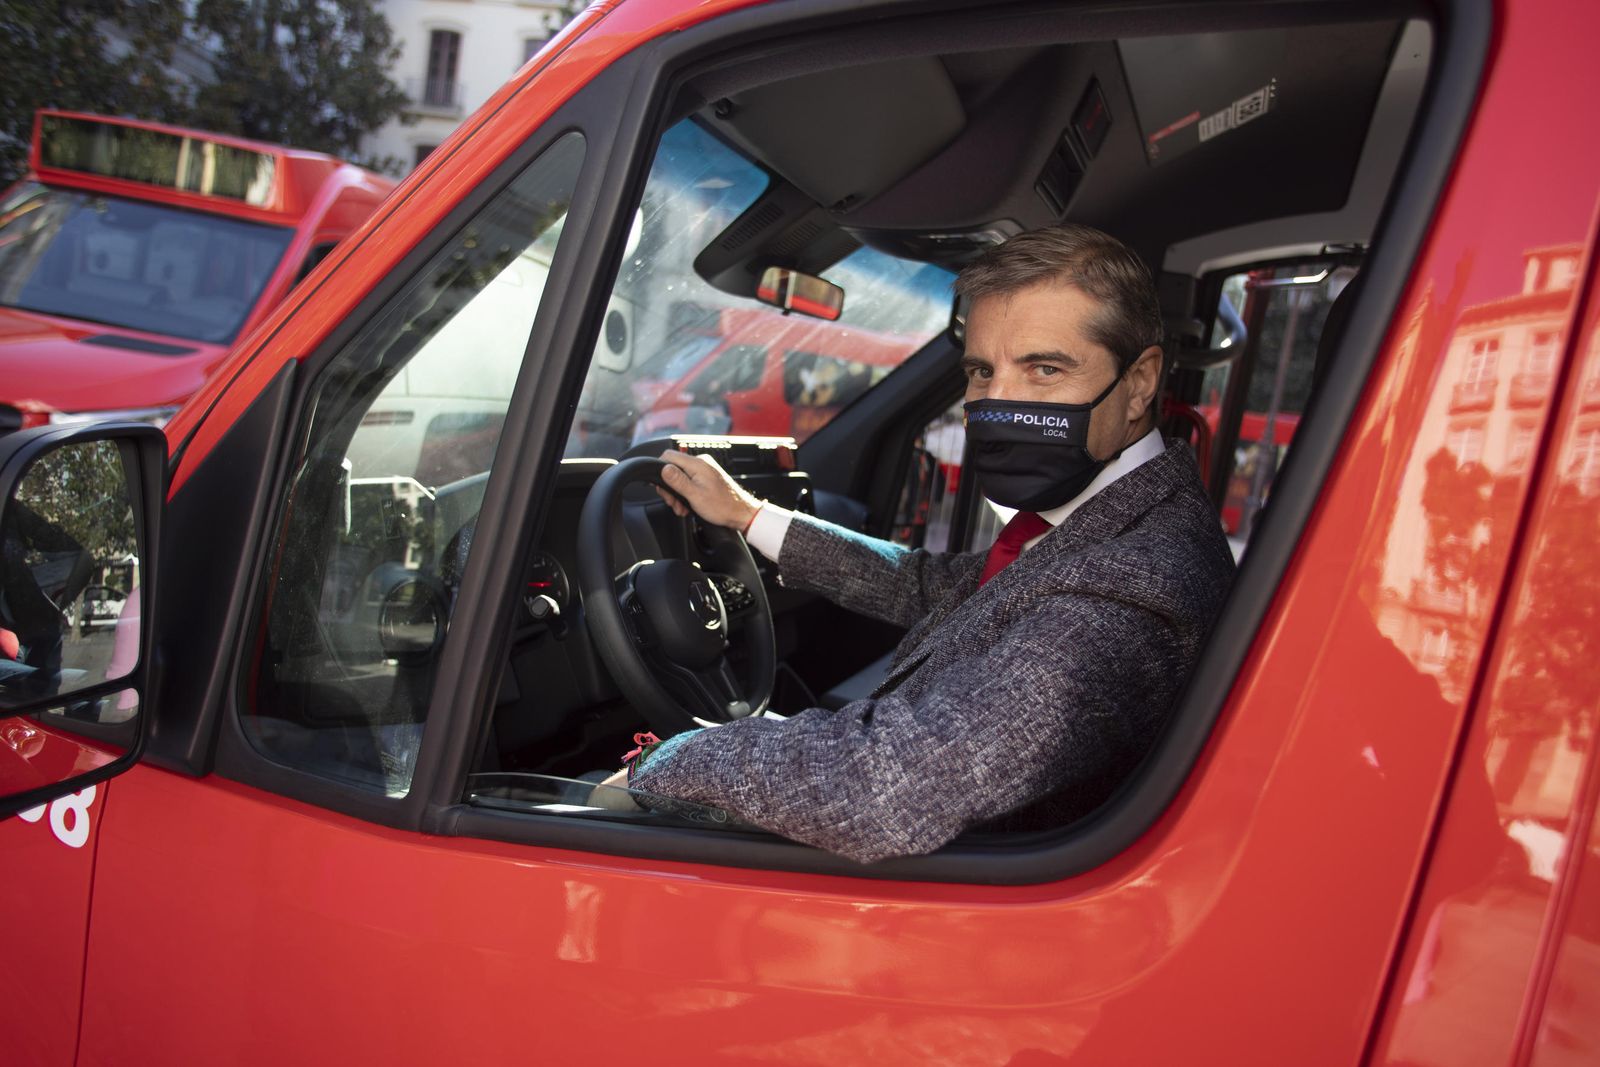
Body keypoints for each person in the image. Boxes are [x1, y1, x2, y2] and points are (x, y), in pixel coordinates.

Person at [614, 223, 1236, 863]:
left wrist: (665, 760)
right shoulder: (1107, 518)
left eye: (1044, 369)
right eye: (981, 371)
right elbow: (931, 585)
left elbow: (885, 793)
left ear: (1140, 382)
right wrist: (750, 516)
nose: (999, 402)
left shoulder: (1132, 585)